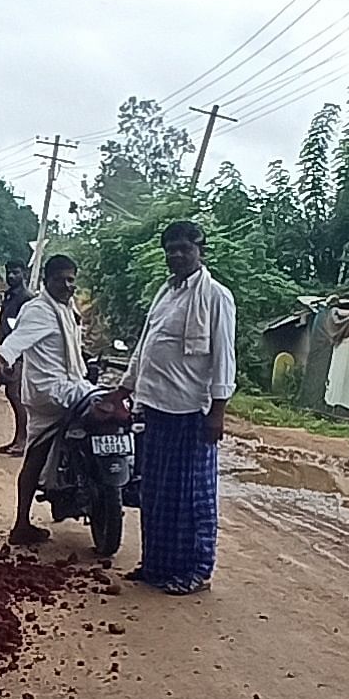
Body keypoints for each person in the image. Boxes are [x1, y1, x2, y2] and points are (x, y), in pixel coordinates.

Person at [124, 221, 235, 594]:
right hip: (157, 408)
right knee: (155, 494)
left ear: (201, 251)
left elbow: (224, 358)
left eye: (184, 249)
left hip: (193, 412)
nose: (176, 255)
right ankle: (157, 565)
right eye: (170, 249)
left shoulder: (216, 296)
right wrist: (126, 389)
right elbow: (146, 345)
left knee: (192, 497)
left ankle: (196, 571)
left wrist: (217, 411)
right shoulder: (165, 293)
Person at [0, 254, 91, 544]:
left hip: (72, 385)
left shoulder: (66, 307)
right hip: (51, 393)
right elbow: (17, 340)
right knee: (38, 452)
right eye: (60, 279)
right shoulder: (38, 310)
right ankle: (22, 525)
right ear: (46, 280)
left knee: (106, 419)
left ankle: (83, 486)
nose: (67, 285)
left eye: (71, 279)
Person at [0, 260, 33, 455]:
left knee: (18, 397)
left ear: (24, 274)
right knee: (12, 394)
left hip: (19, 356)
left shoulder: (26, 299)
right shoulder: (11, 296)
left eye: (15, 273)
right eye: (8, 272)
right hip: (8, 353)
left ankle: (23, 440)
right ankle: (17, 439)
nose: (10, 276)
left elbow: (24, 331)